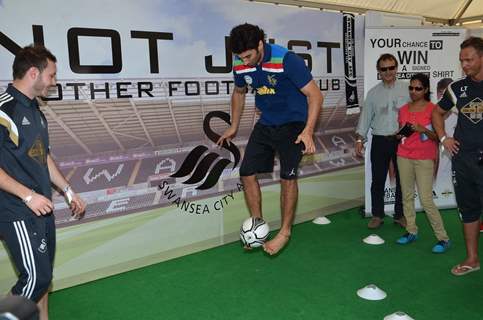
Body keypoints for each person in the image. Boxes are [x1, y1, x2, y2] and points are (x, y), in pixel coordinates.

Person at [217, 23, 323, 255]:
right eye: (239, 57)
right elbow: (239, 92)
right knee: (246, 172)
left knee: (288, 177)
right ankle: (257, 224)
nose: (244, 61)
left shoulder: (287, 60)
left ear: (260, 45)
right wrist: (233, 126)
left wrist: (308, 130)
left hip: (293, 125)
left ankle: (285, 231)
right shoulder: (241, 63)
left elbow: (315, 95)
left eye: (248, 56)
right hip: (266, 123)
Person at [0, 45, 86, 319]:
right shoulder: (4, 109)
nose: (54, 82)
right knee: (35, 278)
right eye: (51, 75)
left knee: (43, 279)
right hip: (16, 208)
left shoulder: (36, 111)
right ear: (33, 73)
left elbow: (43, 157)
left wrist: (68, 190)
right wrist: (27, 196)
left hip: (41, 208)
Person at [432, 36, 483, 276]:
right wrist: (444, 138)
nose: (464, 65)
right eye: (461, 60)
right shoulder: (457, 88)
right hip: (463, 161)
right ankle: (472, 259)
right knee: (468, 209)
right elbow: (436, 113)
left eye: (469, 60)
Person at [395, 73, 451, 253]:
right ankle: (411, 230)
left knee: (426, 199)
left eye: (418, 88)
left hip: (425, 158)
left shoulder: (434, 109)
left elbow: (438, 137)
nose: (413, 91)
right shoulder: (403, 109)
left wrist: (423, 130)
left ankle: (443, 238)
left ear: (426, 89)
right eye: (411, 87)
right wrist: (399, 134)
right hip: (403, 155)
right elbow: (401, 132)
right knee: (407, 196)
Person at [355, 53, 409, 229]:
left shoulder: (407, 90)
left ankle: (400, 215)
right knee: (377, 179)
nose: (388, 72)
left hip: (402, 141)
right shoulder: (372, 94)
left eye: (391, 68)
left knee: (403, 179)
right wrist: (359, 140)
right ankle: (377, 215)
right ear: (379, 71)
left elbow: (417, 114)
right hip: (379, 140)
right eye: (384, 69)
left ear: (396, 68)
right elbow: (365, 119)